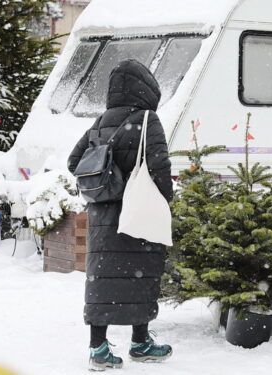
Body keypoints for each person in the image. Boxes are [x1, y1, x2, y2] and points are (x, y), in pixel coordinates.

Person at [68, 59, 173, 371]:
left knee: (101, 281)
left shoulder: (100, 122)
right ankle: (140, 343)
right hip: (138, 213)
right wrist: (164, 200)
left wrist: (107, 181)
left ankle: (98, 348)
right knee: (141, 276)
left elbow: (74, 161)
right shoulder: (147, 119)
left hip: (102, 217)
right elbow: (160, 168)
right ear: (145, 89)